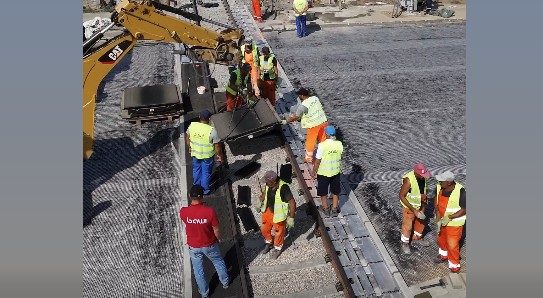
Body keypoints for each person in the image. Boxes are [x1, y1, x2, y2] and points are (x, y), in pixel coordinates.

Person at [180, 185, 229, 298]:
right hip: (209, 244)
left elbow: (189, 220)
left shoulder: (184, 212)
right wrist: (218, 238)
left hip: (193, 246)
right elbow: (216, 229)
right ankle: (225, 282)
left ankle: (204, 293)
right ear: (202, 196)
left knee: (198, 270)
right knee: (218, 262)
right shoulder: (209, 212)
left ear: (189, 196)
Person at [281, 87, 328, 163]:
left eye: (299, 95)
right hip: (324, 122)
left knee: (310, 142)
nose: (298, 96)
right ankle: (324, 155)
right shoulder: (315, 98)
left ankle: (308, 159)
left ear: (302, 96)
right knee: (323, 141)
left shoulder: (303, 105)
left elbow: (295, 117)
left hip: (314, 125)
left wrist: (286, 121)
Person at [257, 170, 296, 260]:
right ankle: (268, 242)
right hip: (268, 211)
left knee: (279, 232)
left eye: (268, 182)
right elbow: (265, 193)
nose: (266, 183)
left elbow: (292, 202)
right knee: (264, 228)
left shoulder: (284, 188)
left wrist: (291, 217)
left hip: (279, 214)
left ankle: (278, 248)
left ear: (274, 181)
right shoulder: (268, 184)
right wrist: (260, 201)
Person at [434, 170, 466, 273]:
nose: (439, 182)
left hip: (454, 224)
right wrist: (438, 215)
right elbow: (436, 200)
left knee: (452, 245)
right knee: (441, 239)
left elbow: (464, 209)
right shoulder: (440, 186)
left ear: (449, 183)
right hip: (441, 220)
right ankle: (443, 255)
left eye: (441, 181)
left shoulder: (461, 191)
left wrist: (449, 217)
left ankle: (454, 265)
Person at [186, 110, 223, 195]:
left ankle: (196, 186)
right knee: (206, 173)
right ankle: (205, 190)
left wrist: (189, 147)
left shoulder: (192, 126)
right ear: (209, 119)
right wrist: (219, 155)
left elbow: (187, 138)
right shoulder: (212, 131)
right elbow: (217, 146)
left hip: (195, 154)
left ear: (199, 117)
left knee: (196, 170)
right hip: (207, 156)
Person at [398, 164, 432, 254]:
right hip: (410, 207)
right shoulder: (408, 180)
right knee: (407, 226)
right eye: (422, 175)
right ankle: (404, 243)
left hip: (420, 204)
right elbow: (401, 196)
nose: (424, 177)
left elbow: (422, 190)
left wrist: (423, 205)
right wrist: (414, 210)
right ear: (416, 173)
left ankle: (417, 237)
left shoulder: (422, 178)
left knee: (421, 223)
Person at [312, 126, 343, 217]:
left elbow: (317, 161)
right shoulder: (339, 144)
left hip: (323, 173)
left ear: (326, 134)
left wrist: (314, 171)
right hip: (335, 172)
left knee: (323, 191)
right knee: (335, 191)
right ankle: (334, 209)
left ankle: (325, 208)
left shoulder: (322, 145)